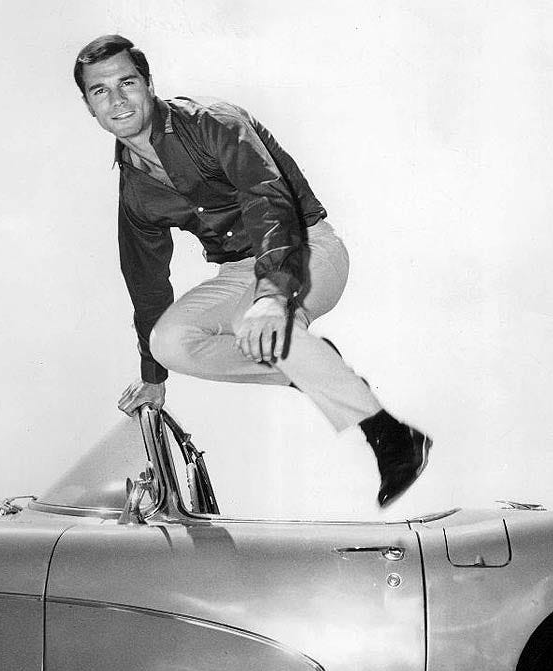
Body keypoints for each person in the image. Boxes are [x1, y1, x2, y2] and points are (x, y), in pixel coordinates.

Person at [73, 34, 432, 507]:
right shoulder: (135, 189)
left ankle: (392, 436)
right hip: (238, 274)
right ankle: (309, 361)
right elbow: (146, 281)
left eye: (127, 83)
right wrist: (153, 379)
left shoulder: (211, 122)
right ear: (90, 106)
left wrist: (272, 296)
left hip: (304, 246)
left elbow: (268, 200)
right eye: (101, 91)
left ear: (149, 84)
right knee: (169, 342)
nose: (117, 100)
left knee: (252, 321)